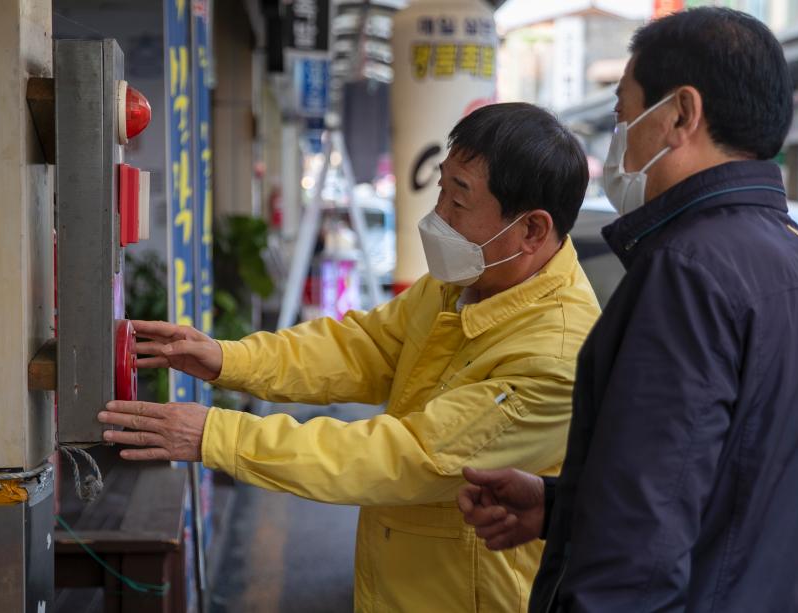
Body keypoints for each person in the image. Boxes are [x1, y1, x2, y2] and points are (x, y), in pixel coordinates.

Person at [98, 102, 602, 612]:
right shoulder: (466, 283)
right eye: (441, 191)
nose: (437, 217)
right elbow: (363, 348)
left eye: (460, 201)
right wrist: (229, 359)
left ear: (533, 231)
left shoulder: (554, 354)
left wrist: (216, 436)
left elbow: (403, 456)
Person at [458, 8, 798, 613]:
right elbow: (739, 497)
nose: (619, 138)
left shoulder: (689, 269)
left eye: (624, 114)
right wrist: (562, 509)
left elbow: (638, 553)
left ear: (680, 115)